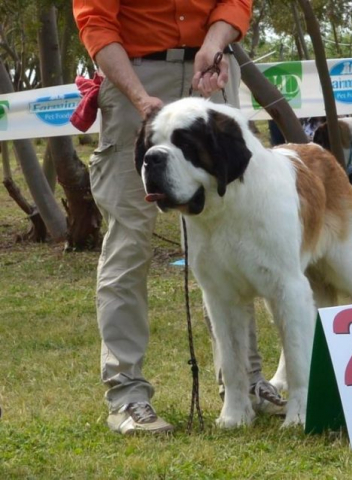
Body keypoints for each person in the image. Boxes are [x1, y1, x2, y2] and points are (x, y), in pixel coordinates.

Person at [73, 0, 284, 435]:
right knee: (129, 242)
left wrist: (214, 42)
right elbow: (96, 21)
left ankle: (244, 384)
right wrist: (138, 98)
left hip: (212, 72)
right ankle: (127, 394)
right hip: (134, 75)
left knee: (235, 238)